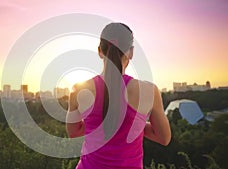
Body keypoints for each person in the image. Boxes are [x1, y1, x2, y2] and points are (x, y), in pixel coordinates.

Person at [66, 22, 171, 169]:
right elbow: (163, 138)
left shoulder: (78, 90)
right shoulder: (148, 91)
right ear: (131, 52)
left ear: (99, 51)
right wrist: (135, 124)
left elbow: (73, 131)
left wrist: (99, 124)